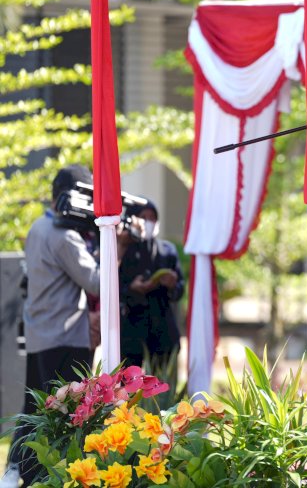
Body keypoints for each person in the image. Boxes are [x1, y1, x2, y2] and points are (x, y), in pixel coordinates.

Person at [1, 165, 101, 488]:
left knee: (33, 408)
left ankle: (16, 469)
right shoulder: (65, 236)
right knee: (63, 413)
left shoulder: (37, 227)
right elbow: (97, 283)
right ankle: (51, 475)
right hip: (65, 338)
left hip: (39, 334)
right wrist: (119, 246)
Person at [117, 199, 184, 371]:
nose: (148, 222)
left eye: (152, 217)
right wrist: (132, 288)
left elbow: (179, 290)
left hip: (163, 334)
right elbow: (111, 286)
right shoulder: (122, 250)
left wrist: (171, 284)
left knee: (161, 386)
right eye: (143, 217)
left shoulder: (167, 250)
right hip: (132, 335)